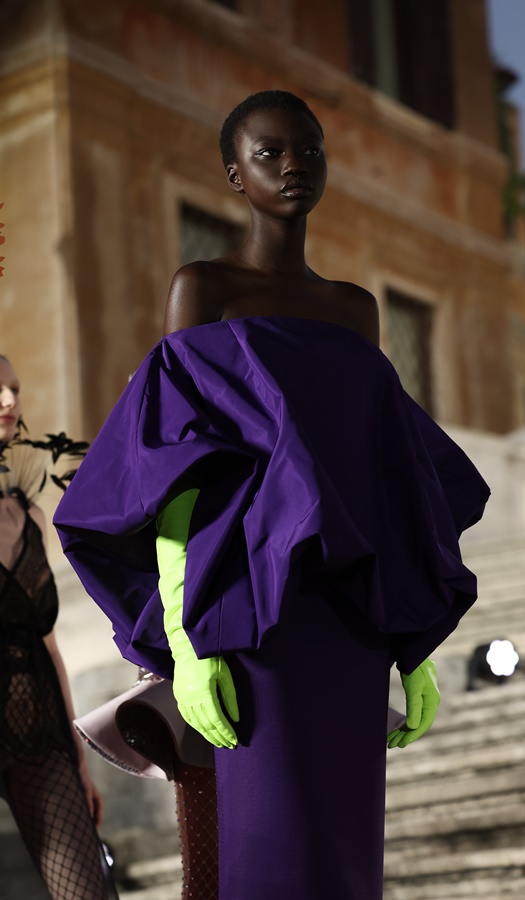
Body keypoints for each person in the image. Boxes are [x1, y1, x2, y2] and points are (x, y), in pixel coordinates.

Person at [54, 91, 490, 899]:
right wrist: (187, 645)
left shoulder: (354, 310)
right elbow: (173, 474)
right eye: (270, 152)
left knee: (346, 864)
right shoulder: (203, 291)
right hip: (254, 619)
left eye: (309, 150)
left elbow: (383, 480)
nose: (294, 165)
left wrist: (411, 649)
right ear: (234, 175)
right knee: (272, 858)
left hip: (351, 632)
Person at [0, 354, 116, 900]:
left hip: (37, 730)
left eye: (14, 389)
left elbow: (49, 643)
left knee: (87, 891)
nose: (9, 402)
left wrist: (78, 758)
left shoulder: (30, 515)